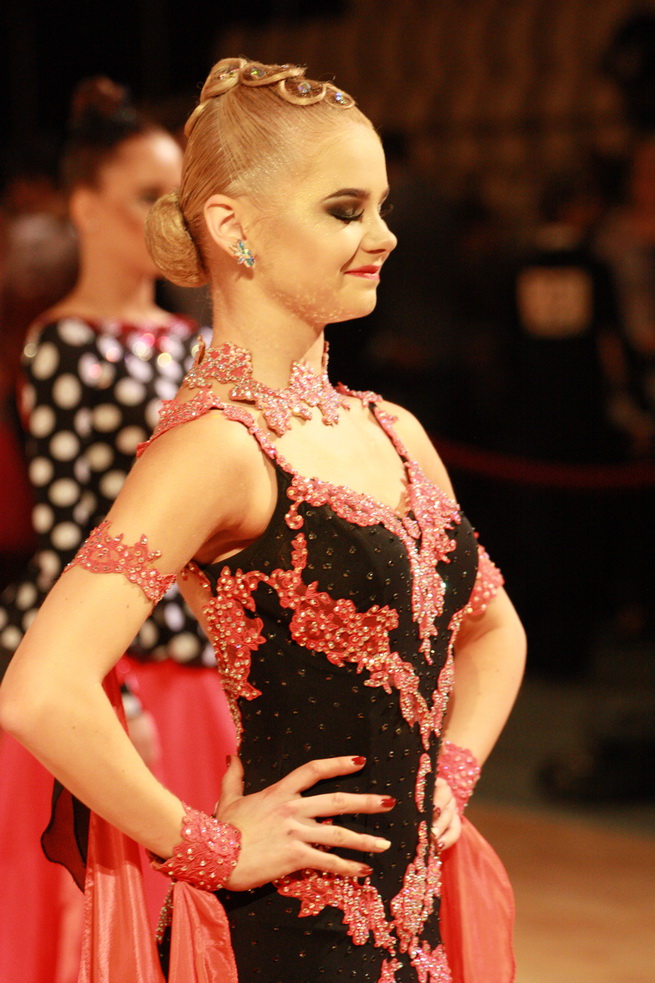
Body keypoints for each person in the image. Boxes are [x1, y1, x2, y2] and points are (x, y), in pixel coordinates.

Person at [0, 59, 526, 983]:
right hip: (293, 939)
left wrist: (451, 773)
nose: (383, 235)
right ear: (232, 226)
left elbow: (494, 632)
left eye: (381, 207)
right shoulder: (212, 450)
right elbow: (40, 689)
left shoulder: (395, 431)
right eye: (345, 210)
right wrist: (210, 847)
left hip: (420, 932)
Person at [0, 76, 235, 983]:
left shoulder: (191, 341)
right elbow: (69, 527)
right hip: (108, 663)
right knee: (93, 909)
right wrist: (102, 693)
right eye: (145, 196)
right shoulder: (63, 342)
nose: (165, 217)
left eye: (177, 197)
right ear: (84, 206)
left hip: (193, 656)